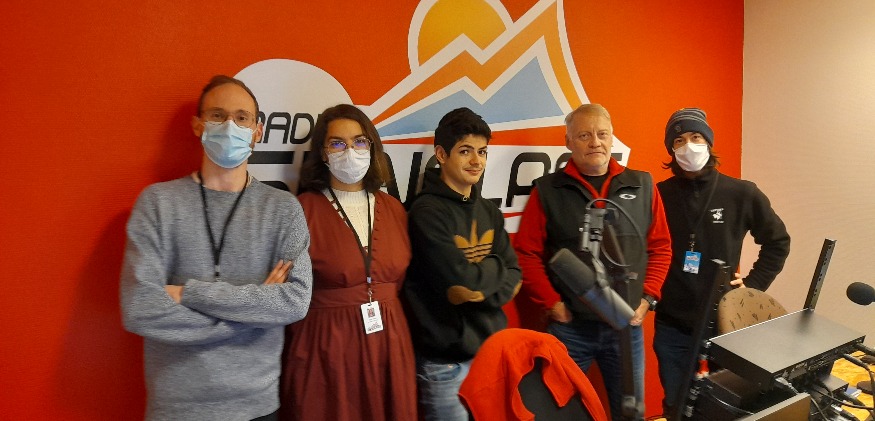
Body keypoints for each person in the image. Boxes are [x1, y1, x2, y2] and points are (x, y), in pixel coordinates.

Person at [120, 74, 313, 421]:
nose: (229, 126)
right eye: (217, 115)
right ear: (198, 125)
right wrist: (252, 317)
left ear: (257, 131)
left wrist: (189, 293)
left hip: (257, 406)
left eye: (242, 118)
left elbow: (294, 301)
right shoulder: (158, 203)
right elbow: (140, 307)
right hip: (177, 408)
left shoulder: (284, 209)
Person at [514, 103, 672, 420]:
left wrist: (647, 299)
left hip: (626, 328)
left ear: (612, 138)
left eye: (602, 134)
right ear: (569, 141)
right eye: (584, 135)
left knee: (630, 415)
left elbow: (661, 247)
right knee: (559, 414)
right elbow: (525, 252)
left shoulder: (642, 185)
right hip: (571, 329)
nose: (595, 142)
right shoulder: (549, 190)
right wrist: (552, 303)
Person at [279, 104, 417, 421]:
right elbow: (287, 289)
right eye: (338, 143)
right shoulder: (301, 210)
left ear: (372, 147)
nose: (350, 151)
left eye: (359, 141)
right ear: (323, 153)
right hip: (325, 345)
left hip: (389, 341)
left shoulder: (393, 209)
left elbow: (399, 281)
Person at [653, 107, 790, 418]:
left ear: (708, 142)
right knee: (677, 406)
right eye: (678, 141)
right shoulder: (658, 195)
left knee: (727, 407)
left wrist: (752, 287)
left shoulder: (741, 192)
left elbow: (778, 242)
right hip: (673, 326)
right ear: (671, 150)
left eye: (696, 137)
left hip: (725, 325)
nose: (688, 146)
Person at [403, 107, 522, 421]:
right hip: (445, 364)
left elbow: (515, 277)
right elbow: (461, 287)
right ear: (441, 154)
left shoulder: (490, 211)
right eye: (465, 151)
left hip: (489, 353)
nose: (476, 161)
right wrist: (496, 269)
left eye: (482, 152)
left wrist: (482, 284)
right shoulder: (426, 212)